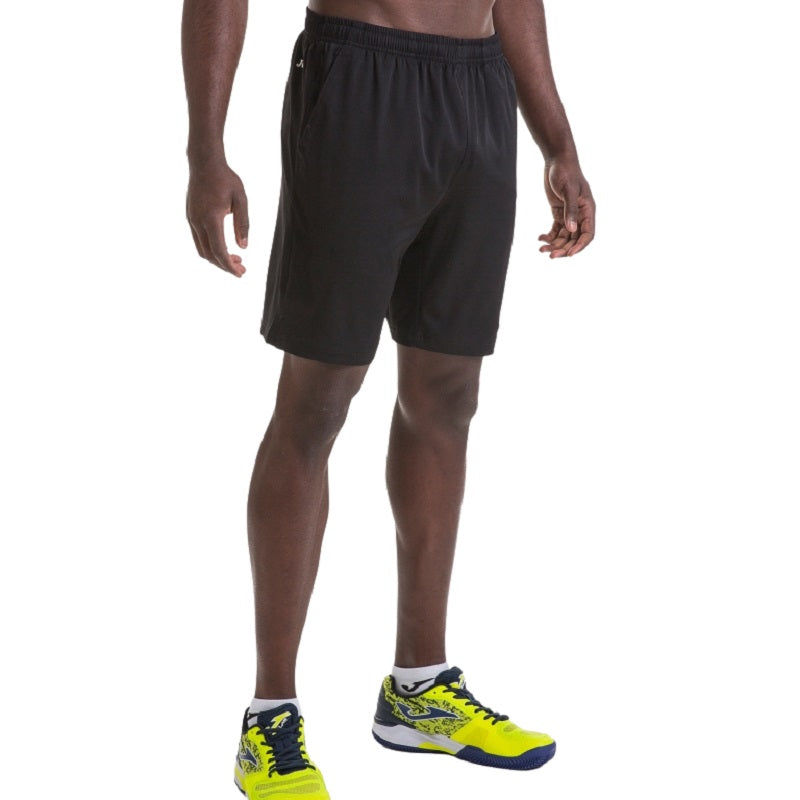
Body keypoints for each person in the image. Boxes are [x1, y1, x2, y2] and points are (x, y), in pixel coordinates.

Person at [182, 1, 595, 797]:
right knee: (317, 401)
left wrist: (560, 144)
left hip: (479, 93)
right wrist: (207, 150)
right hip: (359, 80)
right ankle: (270, 718)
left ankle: (419, 688)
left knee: (448, 395)